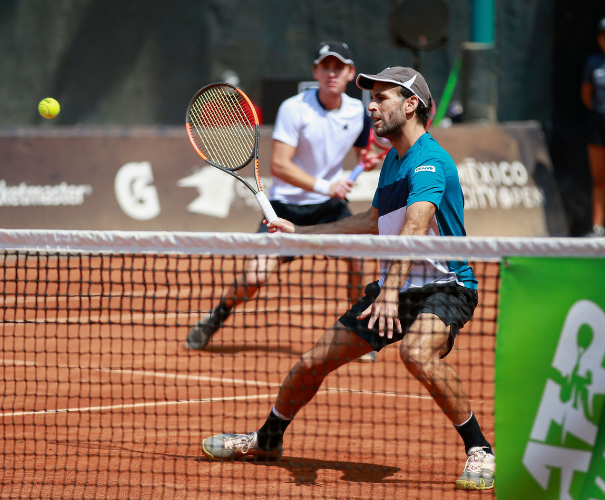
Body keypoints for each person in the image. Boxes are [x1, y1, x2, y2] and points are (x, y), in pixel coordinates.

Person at [199, 66, 496, 491]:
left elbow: (415, 228)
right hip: (397, 284)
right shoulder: (394, 161)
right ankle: (266, 441)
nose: (371, 106)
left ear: (412, 105)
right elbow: (373, 221)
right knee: (312, 362)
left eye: (383, 98)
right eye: (370, 98)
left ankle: (480, 449)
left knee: (416, 354)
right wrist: (301, 233)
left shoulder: (429, 161)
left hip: (446, 285)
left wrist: (390, 292)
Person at [186, 41, 381, 355]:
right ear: (315, 71)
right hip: (285, 208)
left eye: (339, 67)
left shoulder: (357, 111)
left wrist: (367, 160)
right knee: (254, 277)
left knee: (358, 259)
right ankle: (218, 314)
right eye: (325, 66)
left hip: (329, 209)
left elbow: (363, 153)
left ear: (350, 73)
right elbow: (280, 165)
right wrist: (325, 185)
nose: (332, 73)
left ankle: (356, 331)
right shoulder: (295, 108)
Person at [581, 17, 605, 237]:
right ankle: (598, 228)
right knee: (599, 178)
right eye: (601, 34)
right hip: (598, 123)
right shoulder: (593, 62)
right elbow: (586, 96)